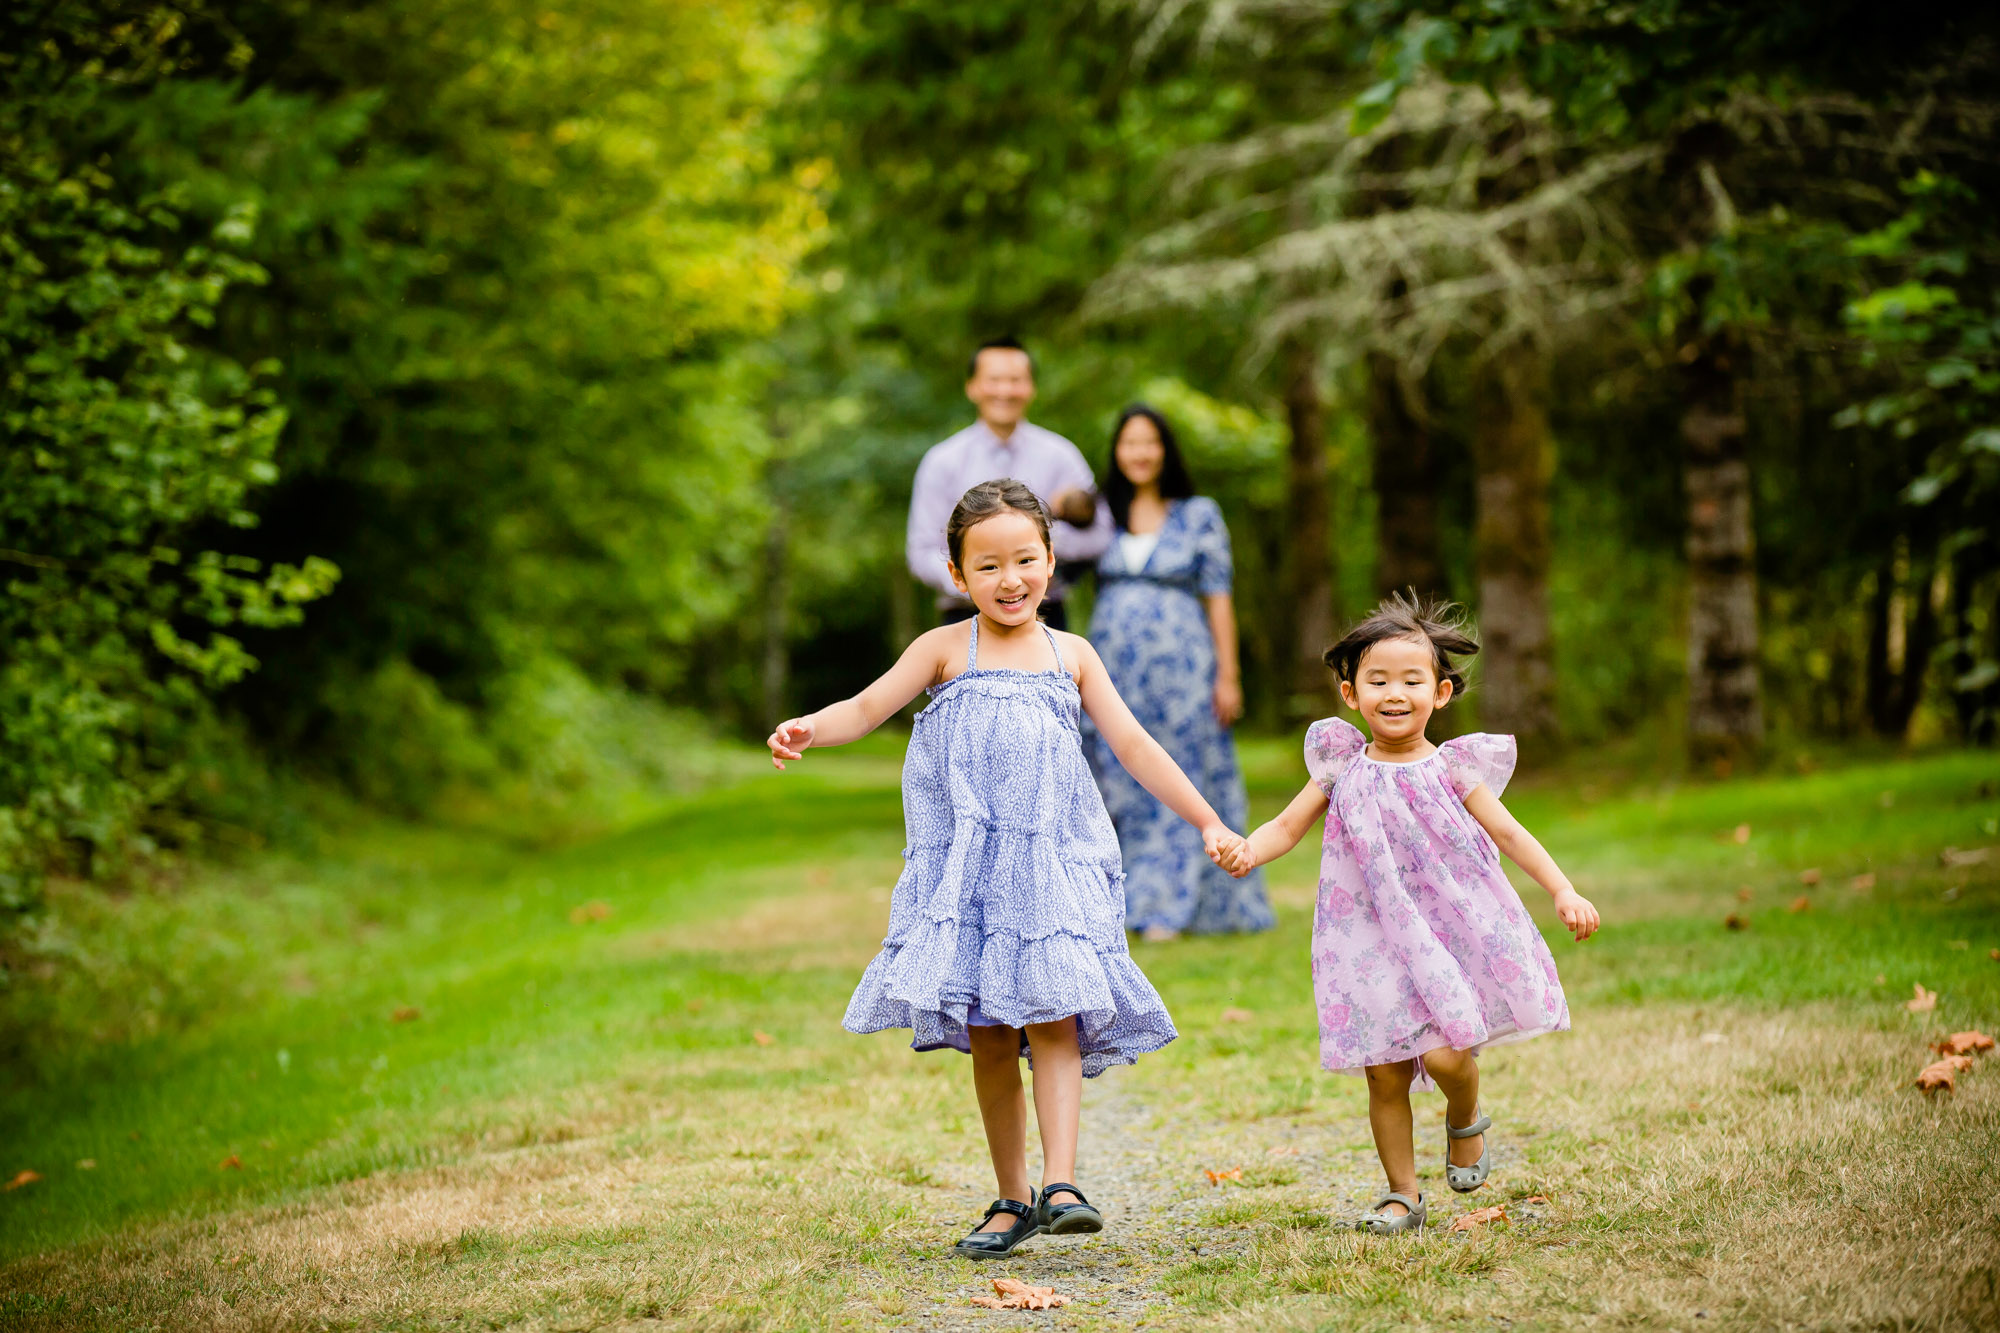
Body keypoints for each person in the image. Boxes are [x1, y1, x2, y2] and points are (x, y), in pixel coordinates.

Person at [769, 479, 1245, 1258]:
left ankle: (1063, 1184)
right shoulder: (944, 649)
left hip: (1051, 868)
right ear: (958, 576)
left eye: (1026, 558)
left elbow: (1135, 746)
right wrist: (808, 729)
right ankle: (1012, 1196)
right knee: (992, 1036)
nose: (1010, 578)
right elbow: (864, 708)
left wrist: (1207, 818)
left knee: (1054, 1018)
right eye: (987, 565)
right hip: (973, 875)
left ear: (1052, 562)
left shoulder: (1071, 654)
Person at [1217, 593, 1600, 1235]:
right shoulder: (1341, 765)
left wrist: (1562, 889)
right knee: (1385, 1072)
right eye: (1378, 680)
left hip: (1446, 932)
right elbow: (1287, 825)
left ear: (1441, 693)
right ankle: (1401, 1194)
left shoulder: (1453, 768)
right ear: (1351, 694)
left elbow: (1511, 834)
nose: (1395, 694)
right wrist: (1248, 851)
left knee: (1451, 1056)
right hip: (1365, 937)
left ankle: (1464, 1117)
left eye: (1412, 680)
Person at [1086, 405, 1273, 941]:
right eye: (1129, 443)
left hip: (1184, 669)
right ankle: (1118, 904)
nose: (1140, 453)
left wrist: (1228, 675)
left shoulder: (1198, 514)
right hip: (1114, 667)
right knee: (1117, 775)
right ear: (1116, 452)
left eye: (1150, 442)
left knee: (1180, 772)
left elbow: (1219, 598)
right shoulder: (1101, 517)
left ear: (1165, 450)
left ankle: (1167, 907)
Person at [906, 339, 1111, 630]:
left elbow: (1102, 535)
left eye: (1015, 380)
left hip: (1047, 618)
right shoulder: (942, 462)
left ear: (1031, 387)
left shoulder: (1061, 456)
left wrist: (1039, 546)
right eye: (994, 380)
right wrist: (977, 585)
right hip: (964, 618)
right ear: (972, 386)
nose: (1005, 390)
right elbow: (921, 552)